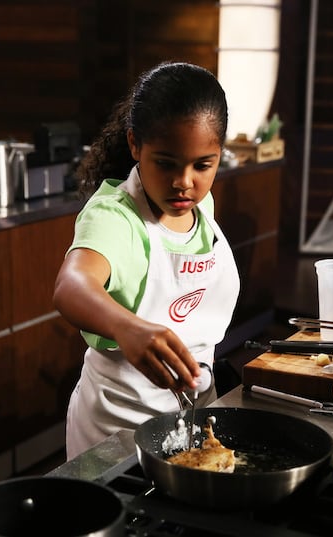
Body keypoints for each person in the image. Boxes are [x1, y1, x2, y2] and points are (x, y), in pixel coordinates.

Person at [53, 62, 240, 459]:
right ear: (136, 145)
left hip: (192, 420)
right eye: (166, 163)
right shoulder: (115, 217)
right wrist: (127, 327)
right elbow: (72, 285)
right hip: (114, 436)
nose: (184, 182)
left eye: (202, 165)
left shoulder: (202, 205)